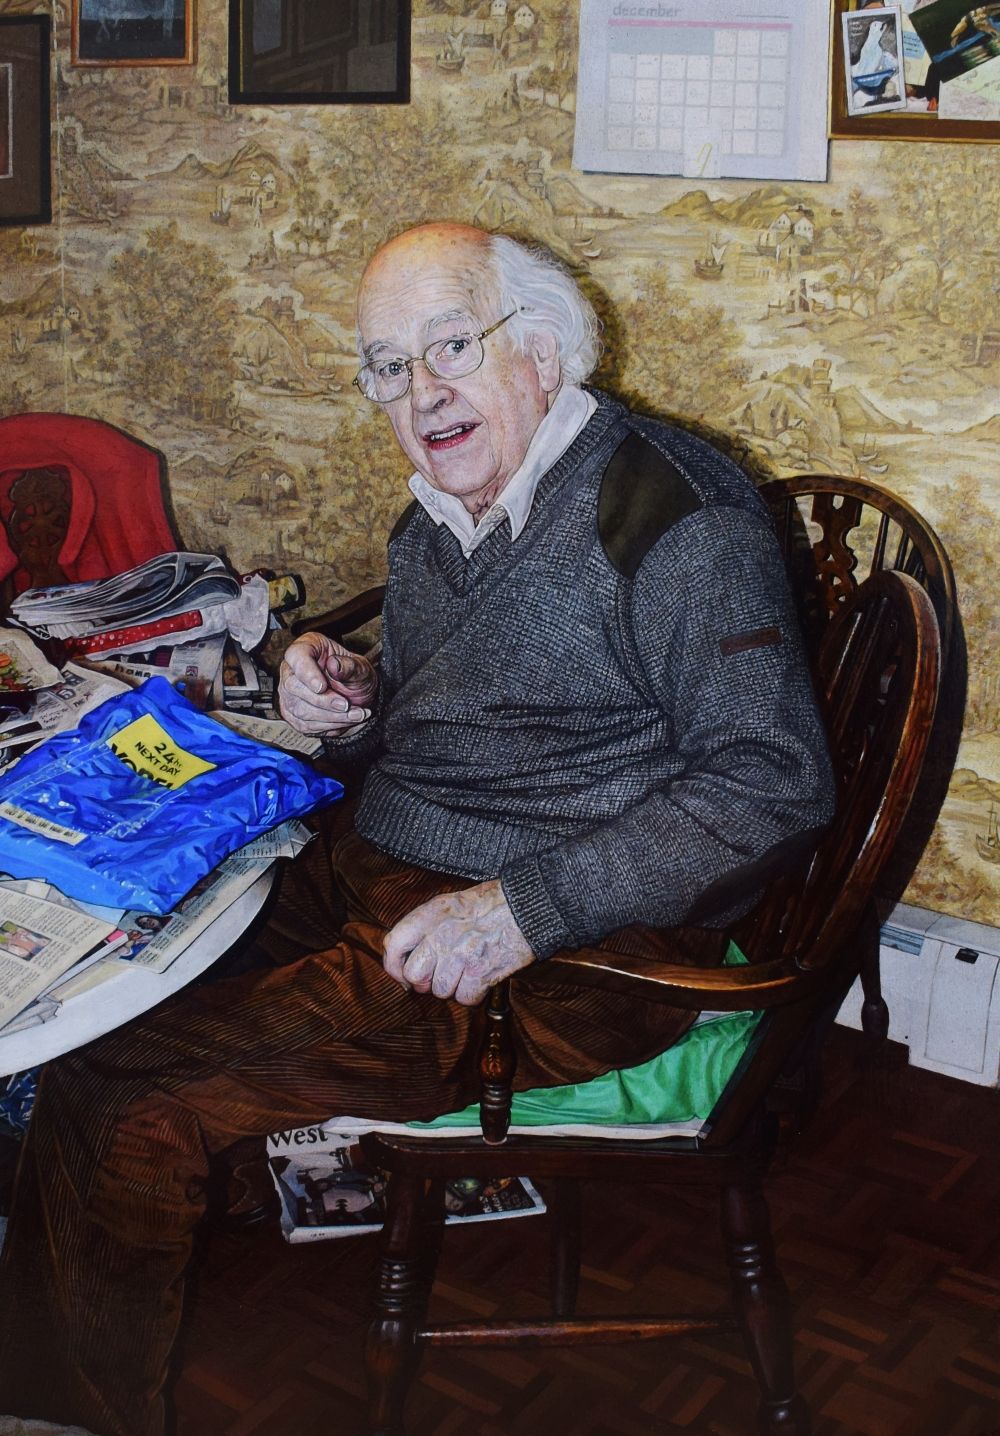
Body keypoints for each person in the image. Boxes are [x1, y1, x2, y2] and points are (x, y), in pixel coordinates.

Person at [0, 221, 833, 1436]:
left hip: (557, 951)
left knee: (123, 1091)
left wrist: (521, 910)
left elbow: (771, 781)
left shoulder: (675, 521)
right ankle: (151, 1215)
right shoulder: (449, 503)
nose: (419, 392)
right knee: (100, 966)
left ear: (542, 350)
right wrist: (352, 697)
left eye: (451, 345)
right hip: (380, 866)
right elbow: (493, 700)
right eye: (387, 365)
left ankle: (61, 1408)